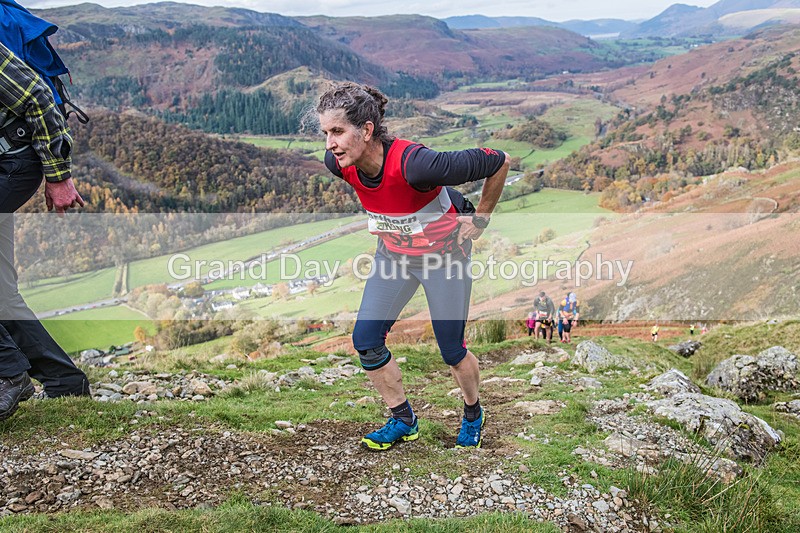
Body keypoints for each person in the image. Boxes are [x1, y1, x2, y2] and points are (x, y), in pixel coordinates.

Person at [317, 82, 509, 450]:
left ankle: (473, 413)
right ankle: (403, 420)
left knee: (452, 351)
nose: (330, 144)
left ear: (367, 130)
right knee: (366, 342)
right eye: (326, 133)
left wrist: (480, 217)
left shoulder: (417, 164)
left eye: (337, 132)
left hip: (444, 259)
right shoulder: (339, 164)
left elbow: (498, 160)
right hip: (394, 259)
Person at [0, 41, 90, 422]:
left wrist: (59, 176)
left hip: (12, 164)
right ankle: (64, 381)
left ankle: (9, 372)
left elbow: (36, 95)